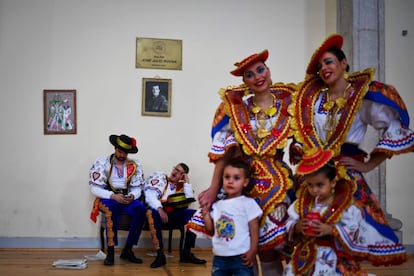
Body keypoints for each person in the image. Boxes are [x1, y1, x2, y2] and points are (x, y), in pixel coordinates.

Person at [290, 34, 412, 266]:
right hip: (315, 176)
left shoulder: (361, 96)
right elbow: (303, 134)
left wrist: (367, 164)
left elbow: (392, 128)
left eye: (329, 61)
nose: (324, 68)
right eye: (320, 65)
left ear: (344, 63)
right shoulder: (315, 100)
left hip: (346, 177)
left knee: (349, 233)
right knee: (310, 233)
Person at [187, 49, 296, 275]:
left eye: (260, 70)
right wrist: (214, 187)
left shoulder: (290, 104)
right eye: (249, 74)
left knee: (269, 250)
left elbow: (306, 143)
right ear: (244, 81)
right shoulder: (236, 110)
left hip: (277, 186)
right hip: (241, 184)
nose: (257, 77)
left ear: (268, 70)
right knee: (240, 248)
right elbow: (223, 155)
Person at [284, 148, 407, 275]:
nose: (314, 190)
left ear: (332, 183)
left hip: (334, 256)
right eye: (310, 185)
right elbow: (290, 222)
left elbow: (354, 227)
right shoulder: (302, 204)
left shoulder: (344, 205)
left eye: (320, 185)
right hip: (306, 256)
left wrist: (332, 230)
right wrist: (297, 226)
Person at [89, 134, 146, 266]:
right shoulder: (101, 163)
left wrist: (133, 195)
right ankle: (110, 251)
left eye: (125, 153)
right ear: (115, 149)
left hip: (127, 197)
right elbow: (94, 189)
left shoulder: (134, 165)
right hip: (109, 197)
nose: (122, 155)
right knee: (111, 210)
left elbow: (137, 188)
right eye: (120, 151)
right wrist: (112, 196)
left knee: (140, 209)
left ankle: (128, 249)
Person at [202, 159, 263, 276]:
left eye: (236, 178)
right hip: (219, 258)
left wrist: (253, 251)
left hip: (240, 257)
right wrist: (205, 214)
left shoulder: (248, 203)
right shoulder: (217, 205)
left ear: (245, 182)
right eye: (227, 177)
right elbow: (211, 229)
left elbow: (254, 230)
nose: (230, 181)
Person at [144, 163, 206, 268]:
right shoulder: (161, 179)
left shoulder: (181, 186)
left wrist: (187, 182)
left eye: (179, 172)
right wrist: (159, 209)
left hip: (174, 215)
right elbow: (150, 195)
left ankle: (186, 253)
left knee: (196, 214)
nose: (175, 172)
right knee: (151, 213)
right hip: (158, 212)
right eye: (175, 169)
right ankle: (160, 255)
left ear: (182, 176)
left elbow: (188, 200)